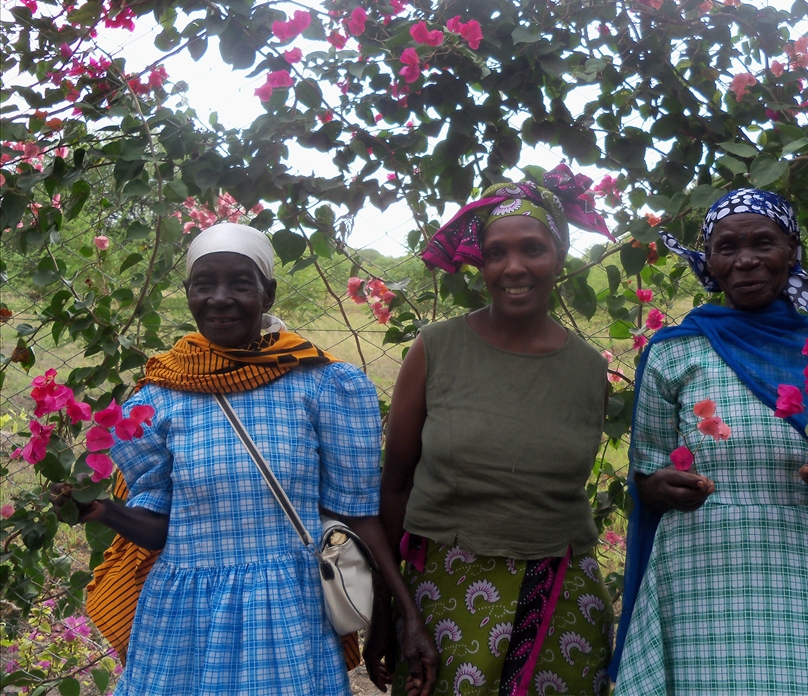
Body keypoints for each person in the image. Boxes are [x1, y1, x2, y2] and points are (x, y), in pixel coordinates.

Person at [52, 223, 437, 695]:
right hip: (185, 619)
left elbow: (357, 515)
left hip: (288, 612)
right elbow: (159, 528)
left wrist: (400, 617)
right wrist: (103, 511)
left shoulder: (323, 386)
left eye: (240, 283)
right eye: (204, 284)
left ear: (267, 293)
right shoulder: (158, 398)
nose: (220, 298)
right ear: (188, 293)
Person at [610, 189, 808, 695]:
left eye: (763, 242)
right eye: (727, 247)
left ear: (791, 250)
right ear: (709, 261)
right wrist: (659, 488)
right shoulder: (674, 353)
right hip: (696, 572)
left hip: (800, 565)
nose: (745, 260)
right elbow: (646, 474)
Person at [372, 165, 616, 696]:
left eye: (533, 249)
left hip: (560, 600)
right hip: (445, 592)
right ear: (479, 263)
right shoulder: (436, 349)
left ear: (559, 255)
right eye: (496, 253)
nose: (514, 267)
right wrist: (388, 613)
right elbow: (395, 484)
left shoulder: (588, 369)